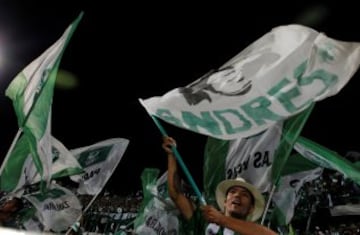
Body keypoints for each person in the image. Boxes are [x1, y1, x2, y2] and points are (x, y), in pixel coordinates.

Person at [162, 136, 277, 235]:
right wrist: (171, 156)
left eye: (244, 195)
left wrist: (222, 219)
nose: (237, 196)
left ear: (251, 208)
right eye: (232, 192)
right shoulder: (205, 220)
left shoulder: (250, 231)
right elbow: (176, 194)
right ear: (225, 202)